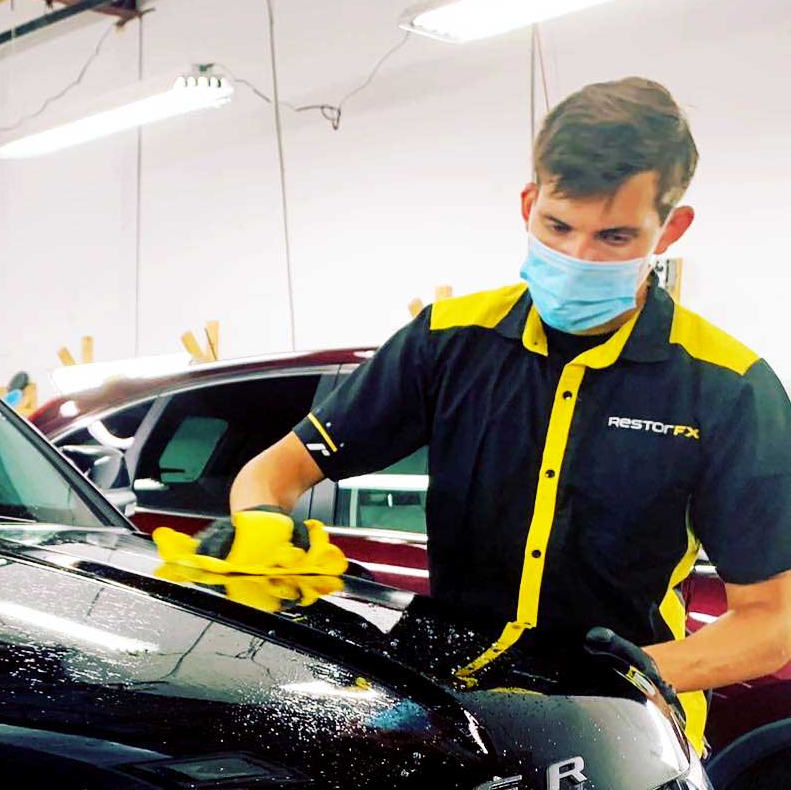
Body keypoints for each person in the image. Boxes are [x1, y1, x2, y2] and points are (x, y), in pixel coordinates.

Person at [208, 77, 791, 752]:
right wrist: (258, 528)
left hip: (625, 736)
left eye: (614, 236)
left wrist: (627, 674)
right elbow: (271, 472)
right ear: (528, 203)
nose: (578, 256)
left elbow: (770, 620)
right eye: (559, 226)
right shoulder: (448, 342)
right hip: (460, 717)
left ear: (672, 226)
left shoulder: (727, 388)